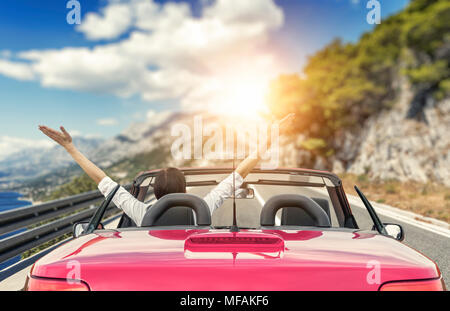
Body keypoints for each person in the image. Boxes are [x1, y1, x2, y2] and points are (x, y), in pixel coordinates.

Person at [39, 113, 294, 226]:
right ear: (184, 189)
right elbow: (239, 174)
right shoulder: (203, 207)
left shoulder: (141, 211)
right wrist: (268, 140)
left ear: (157, 193)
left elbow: (103, 180)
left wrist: (71, 149)